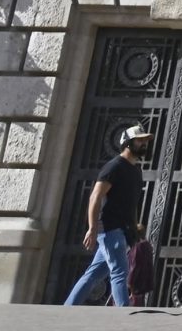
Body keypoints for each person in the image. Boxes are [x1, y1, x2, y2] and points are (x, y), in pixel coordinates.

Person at [64, 122, 154, 305]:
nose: (144, 144)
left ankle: (67, 308)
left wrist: (134, 227)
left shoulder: (136, 170)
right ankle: (124, 314)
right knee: (120, 271)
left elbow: (131, 203)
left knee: (94, 274)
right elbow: (95, 196)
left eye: (145, 141)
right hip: (110, 229)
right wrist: (92, 228)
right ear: (127, 143)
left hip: (124, 230)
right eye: (139, 141)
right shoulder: (114, 166)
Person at [127, 222, 157, 307]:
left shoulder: (138, 246)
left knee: (134, 303)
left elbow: (135, 265)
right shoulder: (147, 245)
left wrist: (130, 282)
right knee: (140, 303)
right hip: (143, 281)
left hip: (136, 282)